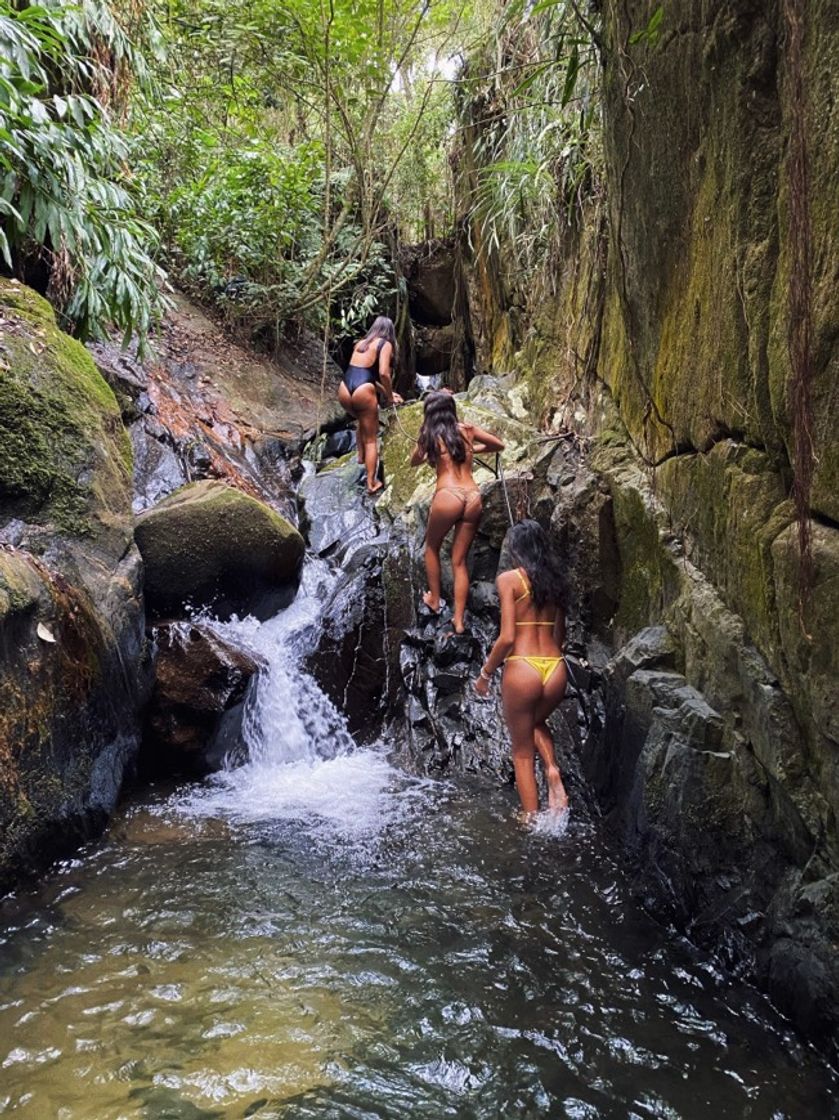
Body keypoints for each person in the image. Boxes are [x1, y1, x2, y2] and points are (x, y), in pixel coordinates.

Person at [474, 519, 568, 815]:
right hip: (555, 668)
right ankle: (552, 770)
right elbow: (559, 636)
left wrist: (485, 674)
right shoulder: (556, 582)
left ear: (516, 550)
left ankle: (529, 819)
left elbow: (507, 638)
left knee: (522, 752)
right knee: (536, 723)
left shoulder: (509, 580)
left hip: (523, 666)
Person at [410, 391, 504, 635]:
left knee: (431, 547)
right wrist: (472, 449)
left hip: (448, 496)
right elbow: (498, 445)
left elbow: (414, 461)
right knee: (459, 560)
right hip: (473, 497)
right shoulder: (468, 431)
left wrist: (427, 445)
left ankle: (434, 599)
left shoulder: (429, 436)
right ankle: (459, 620)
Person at [338, 316, 401, 494]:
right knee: (371, 439)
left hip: (344, 389)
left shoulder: (361, 343)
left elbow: (365, 374)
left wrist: (385, 393)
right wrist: (389, 396)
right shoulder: (385, 344)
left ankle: (360, 457)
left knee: (362, 420)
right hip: (363, 391)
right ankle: (371, 483)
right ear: (390, 332)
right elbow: (383, 374)